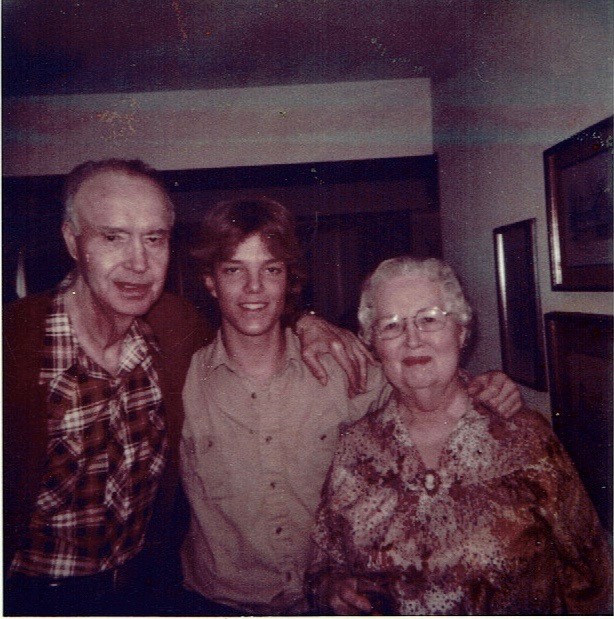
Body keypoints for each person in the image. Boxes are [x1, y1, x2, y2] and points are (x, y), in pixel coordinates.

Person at [2, 159, 375, 617]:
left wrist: (310, 324)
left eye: (154, 239)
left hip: (144, 591)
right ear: (72, 241)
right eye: (113, 237)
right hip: (30, 597)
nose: (139, 263)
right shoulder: (12, 345)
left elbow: (254, 319)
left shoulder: (175, 331)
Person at [179, 199, 523, 615]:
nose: (254, 289)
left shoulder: (344, 367)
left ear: (289, 279)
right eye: (234, 270)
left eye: (270, 270)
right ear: (211, 282)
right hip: (219, 605)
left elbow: (421, 388)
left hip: (331, 602)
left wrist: (483, 387)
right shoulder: (181, 380)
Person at [306, 255, 612, 615]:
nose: (412, 339)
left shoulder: (525, 439)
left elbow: (590, 575)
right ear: (373, 344)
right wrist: (331, 589)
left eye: (430, 319)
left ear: (462, 331)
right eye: (391, 326)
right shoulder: (354, 447)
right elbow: (322, 565)